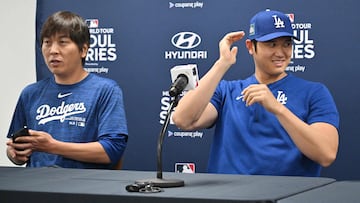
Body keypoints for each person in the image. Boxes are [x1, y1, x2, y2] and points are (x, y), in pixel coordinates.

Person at [172, 9, 339, 177]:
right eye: (272, 44)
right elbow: (182, 120)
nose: (280, 52)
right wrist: (222, 63)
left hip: (288, 196)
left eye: (287, 44)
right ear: (251, 47)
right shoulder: (227, 91)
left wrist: (278, 109)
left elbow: (326, 154)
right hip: (228, 196)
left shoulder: (314, 92)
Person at [6, 11, 128, 169]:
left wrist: (52, 146)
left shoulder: (106, 90)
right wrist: (15, 153)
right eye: (47, 42)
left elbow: (112, 151)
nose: (53, 50)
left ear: (83, 50)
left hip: (85, 189)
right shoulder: (30, 93)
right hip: (36, 187)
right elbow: (16, 152)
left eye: (62, 42)